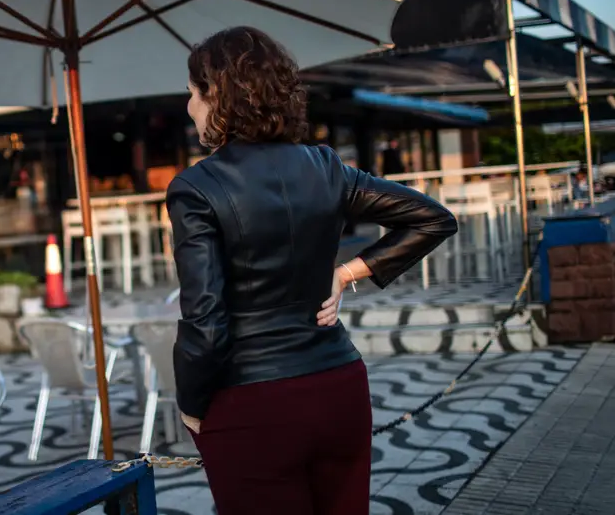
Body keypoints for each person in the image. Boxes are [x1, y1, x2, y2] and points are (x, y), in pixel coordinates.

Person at [168, 27, 458, 515]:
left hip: (251, 404)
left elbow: (205, 321)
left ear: (217, 94)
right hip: (339, 386)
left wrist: (192, 404)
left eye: (193, 92)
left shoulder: (195, 187)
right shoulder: (326, 165)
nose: (189, 106)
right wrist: (347, 272)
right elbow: (432, 217)